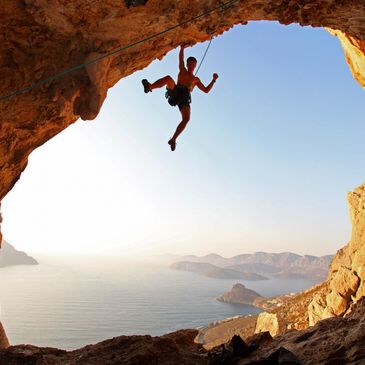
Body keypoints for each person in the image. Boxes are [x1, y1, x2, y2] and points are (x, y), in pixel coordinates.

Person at [142, 45, 219, 151]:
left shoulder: (196, 79)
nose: (191, 64)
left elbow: (206, 90)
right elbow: (181, 59)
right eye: (190, 63)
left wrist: (213, 80)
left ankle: (173, 139)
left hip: (185, 97)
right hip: (176, 91)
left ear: (195, 65)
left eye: (193, 63)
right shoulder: (182, 70)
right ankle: (149, 87)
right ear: (187, 64)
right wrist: (182, 48)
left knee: (186, 119)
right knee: (168, 78)